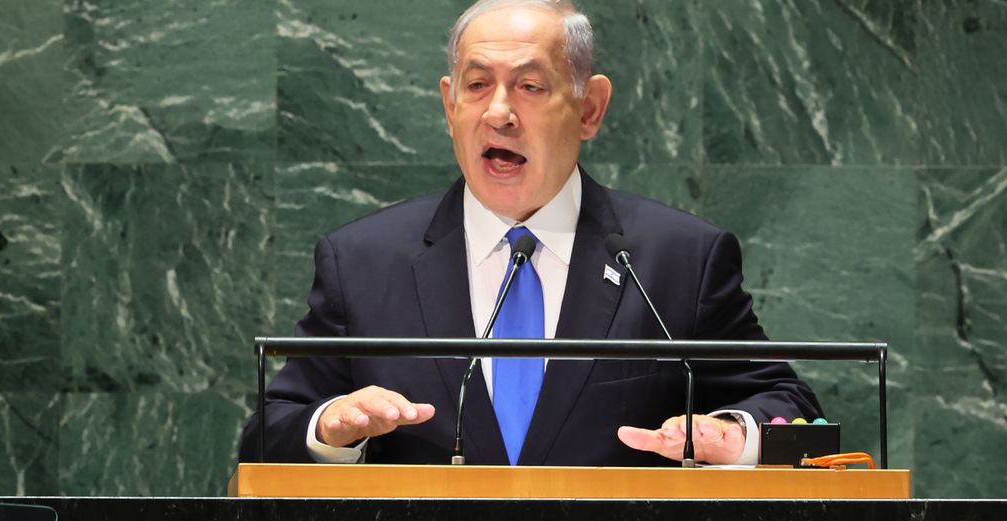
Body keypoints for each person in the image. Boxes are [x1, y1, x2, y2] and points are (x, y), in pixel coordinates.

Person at [238, 0, 822, 466]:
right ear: (449, 106)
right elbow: (269, 432)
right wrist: (332, 430)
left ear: (590, 107)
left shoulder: (679, 259)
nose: (499, 112)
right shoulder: (364, 261)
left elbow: (796, 415)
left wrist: (730, 435)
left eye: (530, 86)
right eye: (476, 86)